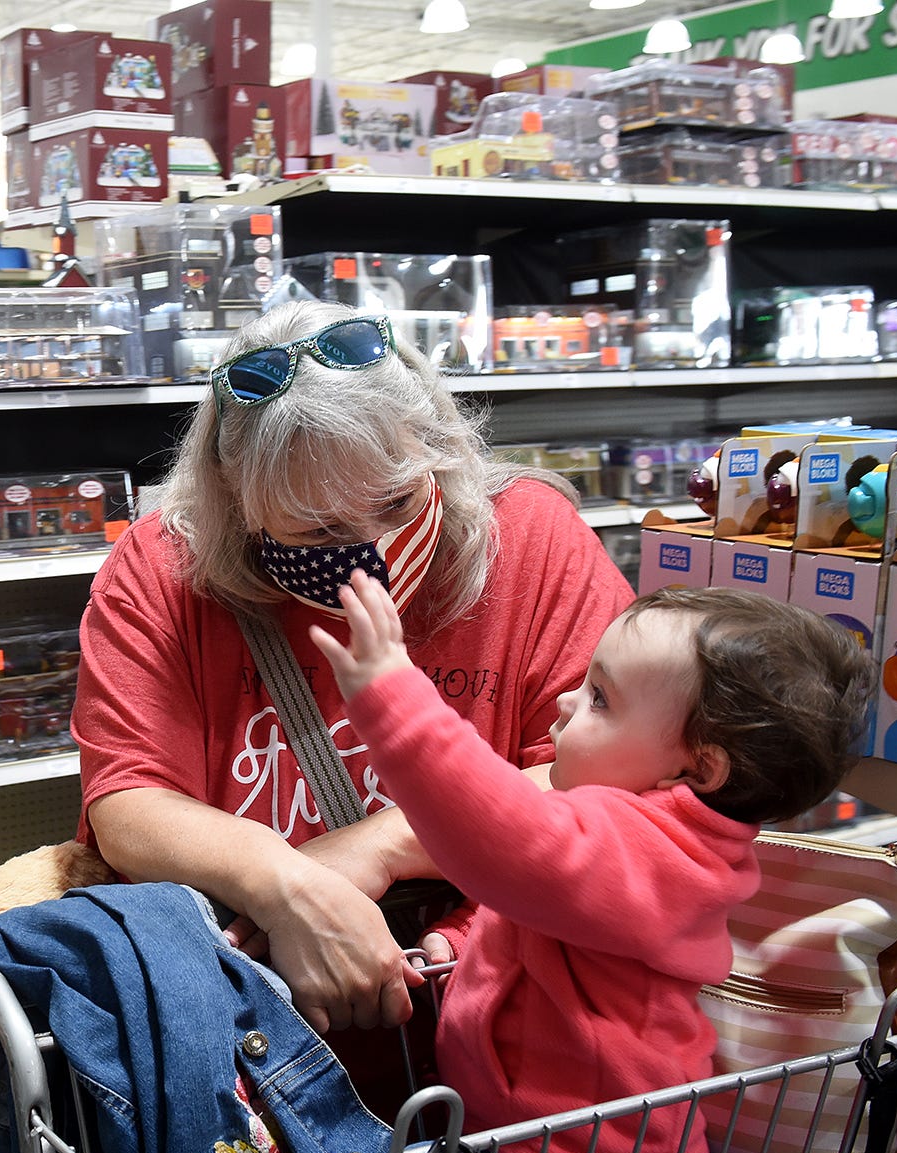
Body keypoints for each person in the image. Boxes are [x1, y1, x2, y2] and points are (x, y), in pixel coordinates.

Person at [71, 301, 635, 1044]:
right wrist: (287, 887)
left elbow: (603, 778)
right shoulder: (162, 567)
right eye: (319, 529)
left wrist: (379, 844)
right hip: (251, 1024)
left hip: (499, 1008)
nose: (372, 545)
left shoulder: (532, 539)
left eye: (397, 499)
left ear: (437, 444)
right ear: (237, 500)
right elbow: (129, 802)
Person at [311, 575, 876, 1153]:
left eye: (601, 697)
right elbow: (549, 905)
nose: (565, 702)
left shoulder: (661, 855)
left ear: (696, 767)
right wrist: (471, 939)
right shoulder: (629, 838)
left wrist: (395, 698)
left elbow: (512, 840)